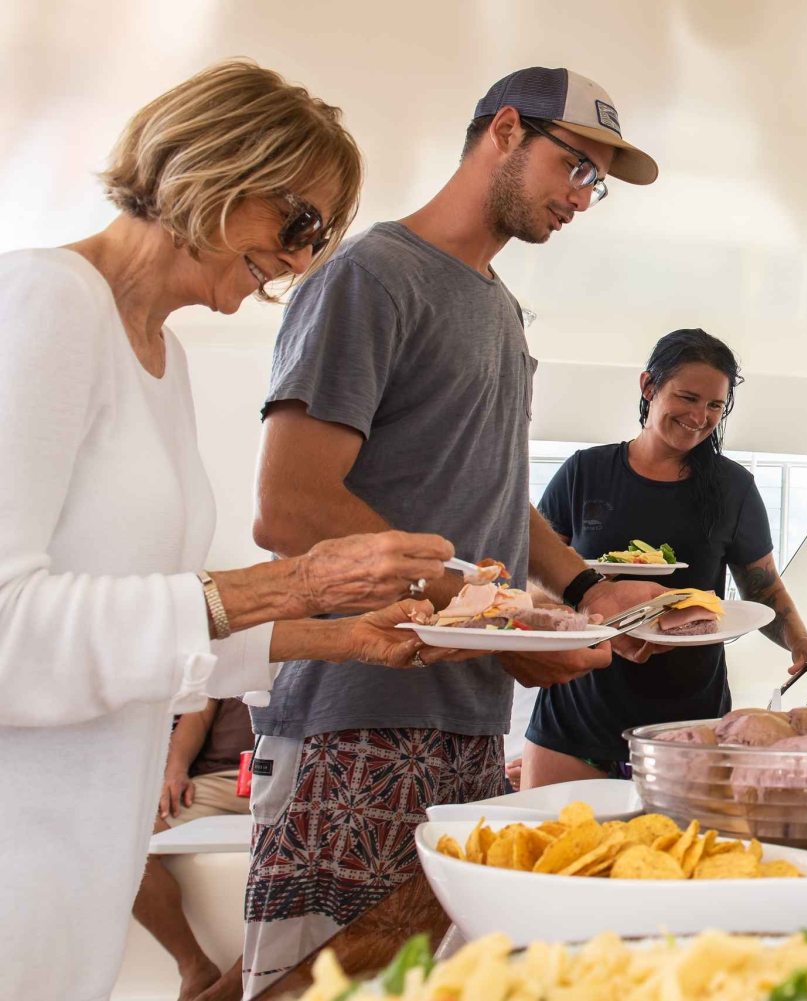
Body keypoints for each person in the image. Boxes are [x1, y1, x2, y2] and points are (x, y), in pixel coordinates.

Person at [0, 59, 462, 1001]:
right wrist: (296, 582)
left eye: (318, 240)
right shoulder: (46, 300)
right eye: (298, 224)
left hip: (83, 850)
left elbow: (159, 631)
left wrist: (342, 637)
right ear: (216, 166)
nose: (300, 260)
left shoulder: (159, 357)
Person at [243, 66, 666, 994]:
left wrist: (588, 589)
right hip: (354, 715)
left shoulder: (500, 308)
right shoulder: (371, 275)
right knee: (315, 986)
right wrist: (494, 616)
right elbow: (291, 504)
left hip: (469, 723)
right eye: (577, 167)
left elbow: (495, 489)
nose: (582, 199)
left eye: (597, 184)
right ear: (505, 130)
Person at [527, 329, 807, 784]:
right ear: (648, 387)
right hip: (574, 717)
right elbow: (535, 578)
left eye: (715, 405)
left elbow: (762, 587)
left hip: (690, 725)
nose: (699, 417)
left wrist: (800, 640)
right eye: (688, 398)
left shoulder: (733, 488)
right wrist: (579, 612)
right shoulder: (584, 472)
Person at [134, 699, 255, 1000]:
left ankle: (245, 974)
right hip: (218, 779)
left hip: (294, 777)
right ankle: (194, 966)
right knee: (124, 850)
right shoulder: (217, 665)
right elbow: (198, 713)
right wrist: (174, 770)